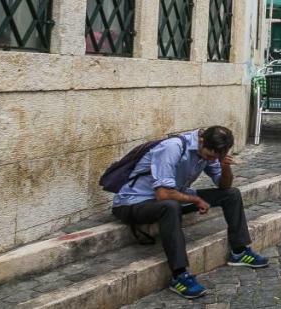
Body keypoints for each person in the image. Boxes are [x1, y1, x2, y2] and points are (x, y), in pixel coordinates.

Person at [112, 126, 268, 299]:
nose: (211, 159)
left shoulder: (212, 152)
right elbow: (163, 194)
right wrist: (196, 200)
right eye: (210, 156)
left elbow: (224, 186)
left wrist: (224, 167)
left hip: (171, 198)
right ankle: (179, 276)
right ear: (202, 141)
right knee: (170, 206)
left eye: (216, 157)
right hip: (133, 203)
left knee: (232, 195)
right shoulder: (172, 148)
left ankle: (239, 252)